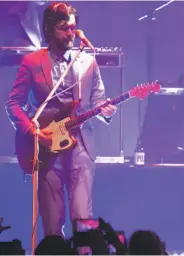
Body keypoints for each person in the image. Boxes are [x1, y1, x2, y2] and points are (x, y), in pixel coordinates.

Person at [5, 2, 117, 236]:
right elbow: (13, 104)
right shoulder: (33, 62)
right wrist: (34, 132)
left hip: (81, 149)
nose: (70, 34)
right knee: (52, 224)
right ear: (48, 30)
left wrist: (105, 112)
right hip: (47, 152)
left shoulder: (88, 61)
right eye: (63, 28)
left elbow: (98, 101)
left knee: (83, 220)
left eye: (73, 28)